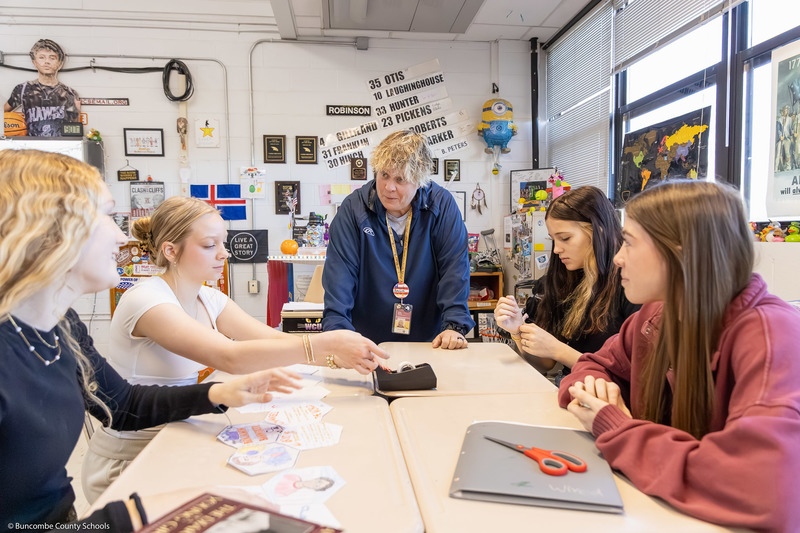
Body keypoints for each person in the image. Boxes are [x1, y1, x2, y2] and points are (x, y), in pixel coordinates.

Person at [0, 149, 302, 531]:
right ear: (47, 230)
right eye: (106, 216)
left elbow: (123, 405)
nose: (121, 234)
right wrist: (136, 514)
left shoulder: (62, 326)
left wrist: (217, 395)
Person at [83, 195, 389, 501]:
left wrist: (334, 356)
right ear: (171, 250)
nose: (223, 253)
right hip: (129, 457)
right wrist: (325, 342)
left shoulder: (209, 298)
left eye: (223, 243)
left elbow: (272, 340)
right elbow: (229, 357)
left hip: (175, 435)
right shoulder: (146, 299)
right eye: (209, 245)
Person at [559, 181, 800, 531]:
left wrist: (617, 428)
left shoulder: (771, 335)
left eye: (628, 242)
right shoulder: (655, 315)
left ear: (681, 251)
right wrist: (594, 391)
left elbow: (763, 488)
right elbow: (591, 365)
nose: (617, 258)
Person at [322, 130, 474, 348]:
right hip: (365, 341)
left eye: (400, 179)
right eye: (384, 175)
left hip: (429, 342)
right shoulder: (354, 210)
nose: (388, 187)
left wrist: (454, 326)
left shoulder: (440, 206)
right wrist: (337, 329)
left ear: (419, 181)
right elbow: (339, 273)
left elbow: (454, 268)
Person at [494, 186, 638, 383]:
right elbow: (543, 365)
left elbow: (631, 378)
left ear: (598, 231)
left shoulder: (630, 286)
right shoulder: (561, 281)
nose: (557, 249)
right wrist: (518, 330)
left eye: (565, 238)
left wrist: (558, 350)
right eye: (553, 240)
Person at [3, 39, 82, 137]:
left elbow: (75, 130)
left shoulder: (70, 93)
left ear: (60, 63)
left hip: (60, 146)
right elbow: (3, 111)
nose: (47, 62)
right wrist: (11, 129)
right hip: (31, 147)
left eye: (52, 58)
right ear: (34, 62)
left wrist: (77, 112)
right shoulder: (22, 89)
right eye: (41, 57)